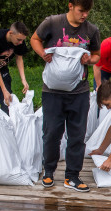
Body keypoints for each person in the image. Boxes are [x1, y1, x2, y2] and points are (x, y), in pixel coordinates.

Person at [30, 0, 100, 192]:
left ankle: (72, 176)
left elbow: (96, 54)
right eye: (81, 11)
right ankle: (49, 172)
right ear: (70, 6)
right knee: (52, 133)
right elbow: (34, 39)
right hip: (52, 91)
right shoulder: (52, 22)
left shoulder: (91, 30)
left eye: (87, 12)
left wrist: (89, 59)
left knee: (77, 135)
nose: (84, 15)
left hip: (79, 91)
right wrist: (42, 53)